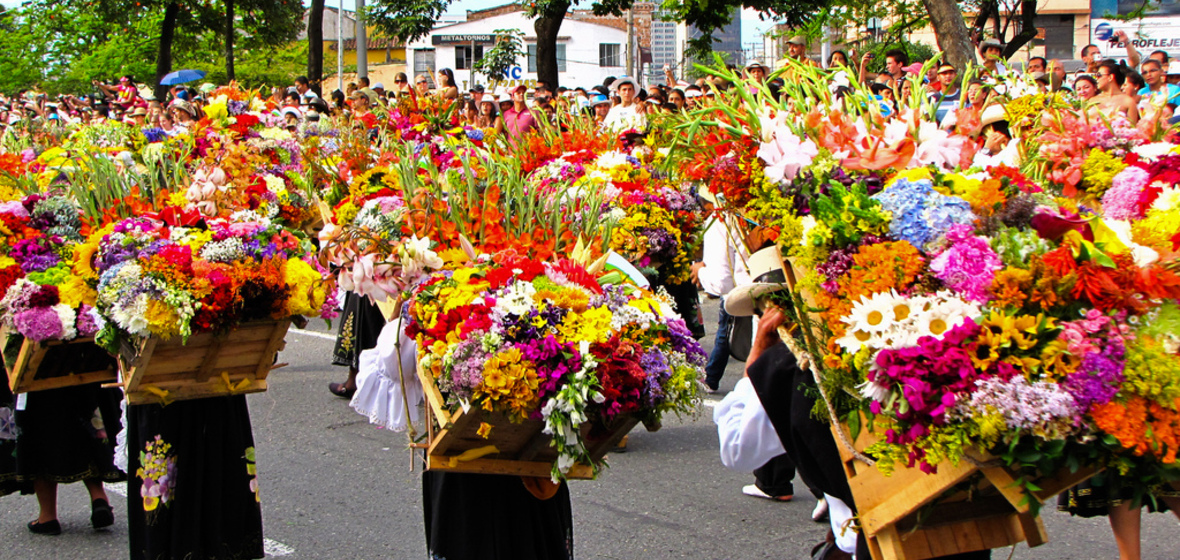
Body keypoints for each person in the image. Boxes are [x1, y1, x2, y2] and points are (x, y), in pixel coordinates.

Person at [1091, 60, 1139, 124]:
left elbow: (1133, 129)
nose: (1096, 78)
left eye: (1099, 75)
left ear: (1110, 77)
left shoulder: (1128, 101)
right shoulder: (1092, 100)